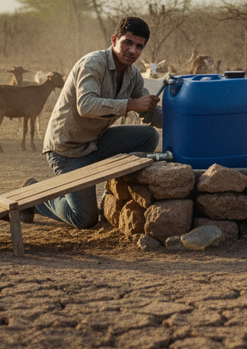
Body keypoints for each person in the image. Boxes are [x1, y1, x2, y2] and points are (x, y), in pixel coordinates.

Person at [35, 16, 162, 229]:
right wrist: (131, 104)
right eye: (127, 43)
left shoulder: (133, 75)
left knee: (148, 137)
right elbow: (86, 105)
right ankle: (38, 199)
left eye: (139, 46)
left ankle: (115, 193)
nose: (133, 51)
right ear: (114, 40)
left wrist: (188, 118)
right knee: (85, 219)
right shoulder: (93, 63)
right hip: (67, 150)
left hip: (95, 142)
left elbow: (149, 114)